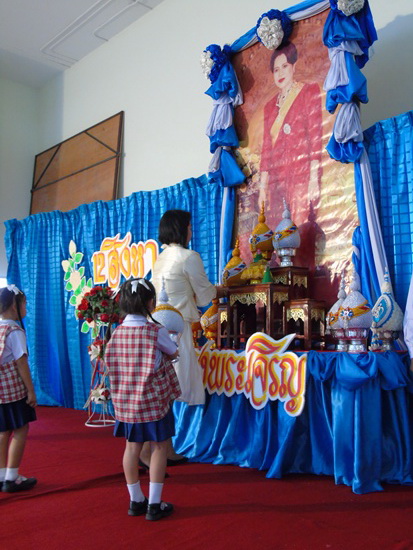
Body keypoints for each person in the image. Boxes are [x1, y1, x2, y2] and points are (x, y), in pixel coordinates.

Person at [104, 278, 180, 521]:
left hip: (126, 403)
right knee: (159, 447)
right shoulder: (155, 331)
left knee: (131, 448)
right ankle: (154, 504)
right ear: (150, 302)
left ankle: (136, 500)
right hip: (153, 401)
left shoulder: (116, 332)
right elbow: (173, 352)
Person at [151, 209, 220, 406]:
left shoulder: (160, 258)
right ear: (180, 229)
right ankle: (181, 424)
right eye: (189, 227)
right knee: (181, 380)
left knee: (164, 378)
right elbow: (205, 294)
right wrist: (221, 290)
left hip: (157, 324)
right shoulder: (188, 256)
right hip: (177, 325)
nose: (191, 232)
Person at [259, 41, 323, 227]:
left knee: (300, 229)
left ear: (294, 67)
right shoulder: (270, 107)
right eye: (276, 69)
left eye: (285, 66)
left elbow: (315, 137)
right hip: (276, 182)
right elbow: (266, 148)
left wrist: (313, 179)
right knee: (277, 231)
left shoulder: (308, 92)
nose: (280, 73)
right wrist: (263, 189)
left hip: (301, 175)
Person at [0, 285, 37, 493]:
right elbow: (21, 363)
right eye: (24, 304)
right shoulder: (14, 331)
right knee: (21, 429)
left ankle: (1, 475)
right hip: (12, 391)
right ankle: (12, 477)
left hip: (0, 393)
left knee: (3, 431)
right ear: (14, 306)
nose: (26, 308)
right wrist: (30, 391)